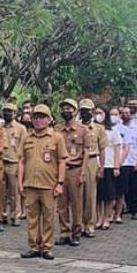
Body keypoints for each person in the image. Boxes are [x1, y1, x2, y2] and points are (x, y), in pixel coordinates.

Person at [19, 104, 68, 259]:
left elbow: (62, 161)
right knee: (32, 218)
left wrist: (60, 183)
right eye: (36, 117)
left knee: (48, 217)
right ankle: (34, 246)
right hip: (30, 184)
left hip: (49, 185)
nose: (38, 120)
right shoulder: (27, 138)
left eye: (42, 117)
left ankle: (47, 247)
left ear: (49, 120)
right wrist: (20, 182)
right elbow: (21, 161)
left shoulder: (57, 138)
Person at [56, 98, 88, 246]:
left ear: (75, 111)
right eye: (64, 109)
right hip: (62, 170)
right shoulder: (58, 131)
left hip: (76, 169)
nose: (66, 111)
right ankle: (64, 232)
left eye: (69, 109)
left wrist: (83, 172)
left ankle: (76, 233)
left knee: (76, 204)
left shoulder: (83, 130)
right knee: (61, 204)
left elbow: (87, 152)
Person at [78, 98, 106, 237]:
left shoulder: (98, 129)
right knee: (78, 195)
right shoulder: (76, 128)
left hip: (92, 161)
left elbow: (102, 149)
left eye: (87, 111)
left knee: (90, 195)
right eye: (82, 110)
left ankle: (89, 224)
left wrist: (101, 168)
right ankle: (78, 224)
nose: (85, 113)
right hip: (77, 162)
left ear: (93, 112)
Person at [96, 107, 124, 230]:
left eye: (100, 113)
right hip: (95, 165)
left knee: (108, 195)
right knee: (98, 195)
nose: (98, 115)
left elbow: (117, 150)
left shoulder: (113, 131)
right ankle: (99, 218)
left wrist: (116, 166)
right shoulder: (93, 129)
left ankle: (107, 218)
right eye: (96, 113)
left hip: (109, 165)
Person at [0, 101, 26, 228]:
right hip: (0, 161)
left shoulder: (21, 129)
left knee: (14, 192)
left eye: (10, 112)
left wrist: (21, 163)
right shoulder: (0, 127)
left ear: (15, 113)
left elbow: (24, 147)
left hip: (14, 162)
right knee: (2, 192)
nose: (7, 114)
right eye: (5, 111)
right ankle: (3, 214)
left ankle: (16, 215)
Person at [118, 105, 137, 221]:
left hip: (133, 160)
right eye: (123, 113)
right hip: (122, 162)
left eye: (128, 113)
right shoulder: (117, 128)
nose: (126, 115)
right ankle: (124, 207)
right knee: (123, 187)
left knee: (136, 186)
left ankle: (135, 210)